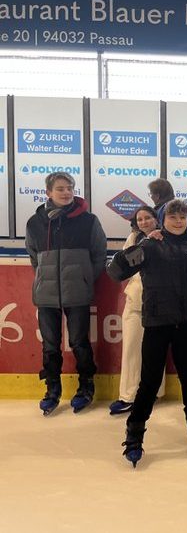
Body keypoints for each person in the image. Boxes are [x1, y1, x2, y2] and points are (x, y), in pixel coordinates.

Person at [107, 200, 187, 467]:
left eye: (183, 216)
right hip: (156, 324)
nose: (178, 221)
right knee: (149, 382)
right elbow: (116, 271)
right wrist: (140, 244)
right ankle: (134, 434)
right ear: (163, 219)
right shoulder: (150, 246)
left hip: (186, 325)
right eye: (172, 216)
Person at [26, 171, 107, 416]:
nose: (66, 192)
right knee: (50, 345)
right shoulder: (35, 222)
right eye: (60, 188)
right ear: (48, 192)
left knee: (79, 342)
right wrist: (44, 279)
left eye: (69, 188)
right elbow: (33, 257)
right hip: (46, 294)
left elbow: (99, 254)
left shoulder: (88, 220)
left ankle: (85, 387)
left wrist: (83, 278)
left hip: (77, 292)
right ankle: (52, 389)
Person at [109, 207, 165, 415]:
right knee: (132, 348)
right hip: (134, 301)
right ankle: (128, 395)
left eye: (147, 217)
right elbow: (122, 266)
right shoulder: (133, 238)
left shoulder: (164, 237)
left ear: (156, 219)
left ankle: (156, 392)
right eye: (140, 219)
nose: (143, 222)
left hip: (158, 302)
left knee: (155, 351)